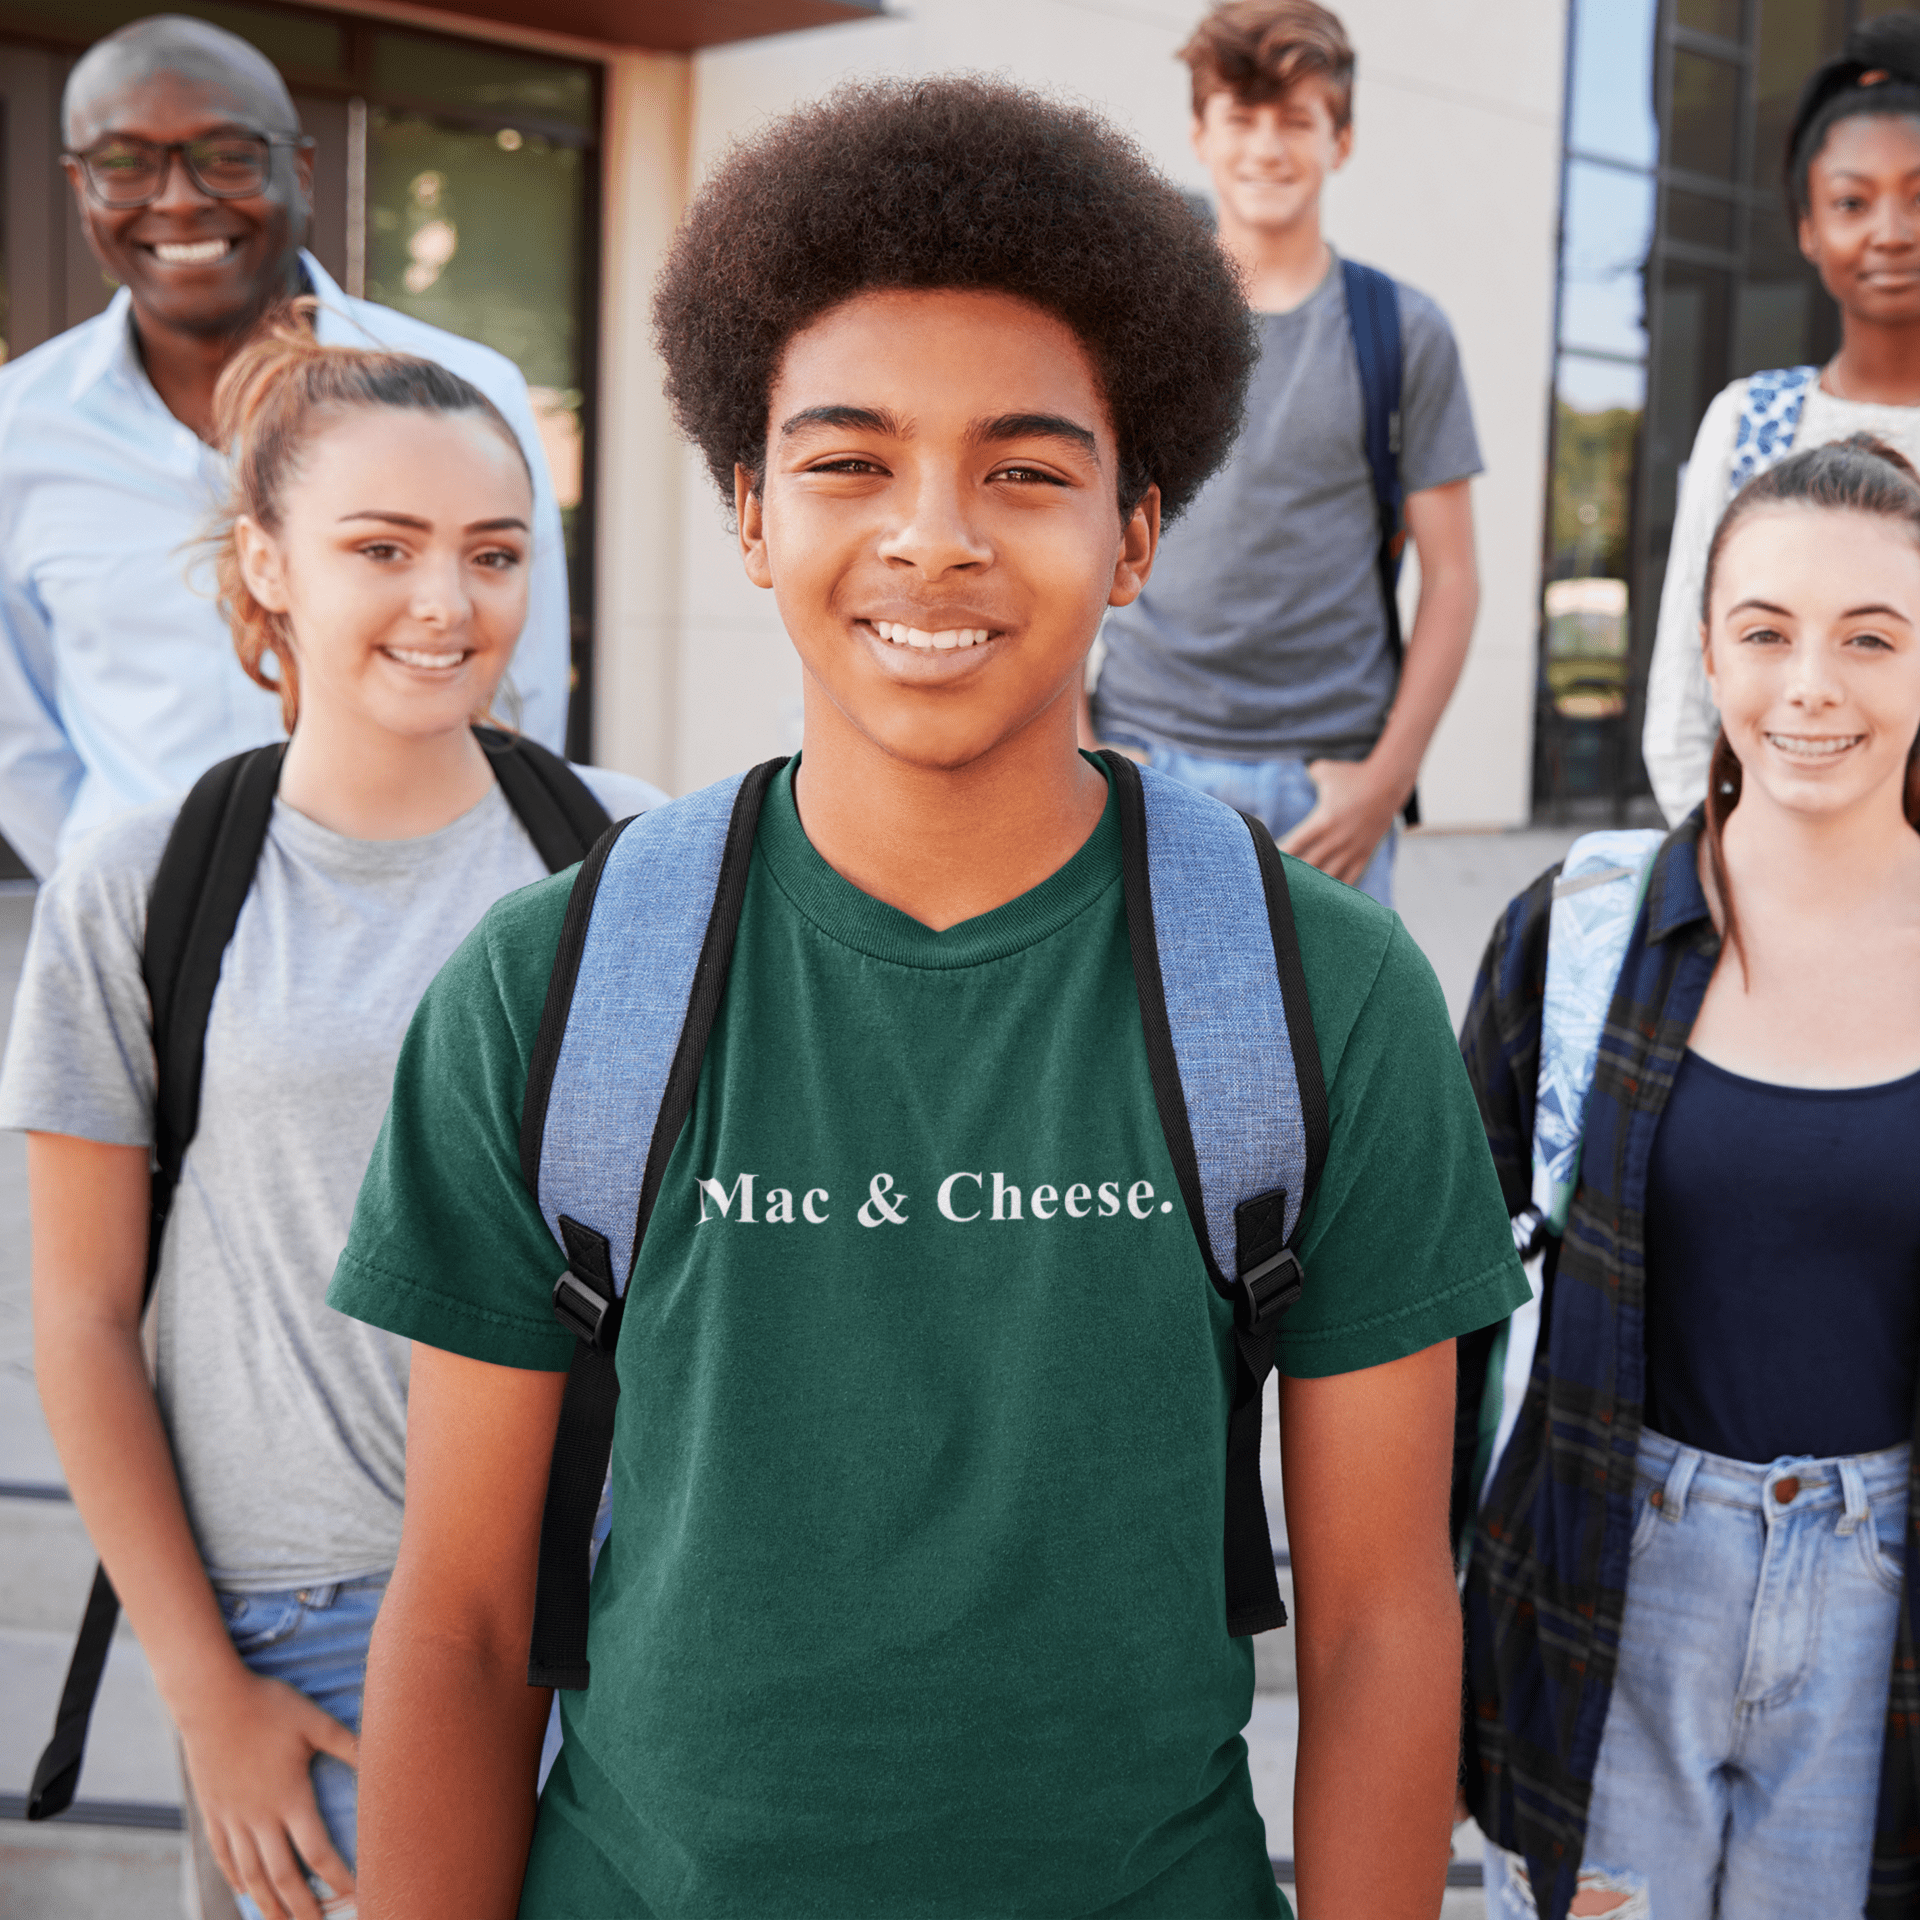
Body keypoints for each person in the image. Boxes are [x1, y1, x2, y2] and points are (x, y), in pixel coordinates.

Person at [327, 74, 1527, 1920]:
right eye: (848, 461)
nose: (935, 537)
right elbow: (471, 1621)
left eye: (1028, 470)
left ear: (1136, 532)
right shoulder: (555, 990)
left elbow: (1377, 1621)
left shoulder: (1315, 995)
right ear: (746, 508)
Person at [0, 321, 659, 1920]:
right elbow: (84, 1324)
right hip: (303, 1634)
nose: (449, 602)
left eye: (493, 554)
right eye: (386, 548)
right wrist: (205, 1691)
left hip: (628, 1611)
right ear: (267, 565)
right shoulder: (143, 882)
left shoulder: (638, 854)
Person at [1458, 436, 1920, 1917]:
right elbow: (1450, 1293)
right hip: (1616, 1575)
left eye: (1871, 638)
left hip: (1882, 1617)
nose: (1811, 687)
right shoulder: (1583, 934)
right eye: (1766, 631)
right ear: (1707, 652)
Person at [0, 12, 573, 879]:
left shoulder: (465, 393)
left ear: (300, 171)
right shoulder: (17, 432)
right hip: (145, 937)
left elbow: (513, 686)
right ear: (79, 188)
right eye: (125, 163)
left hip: (424, 913)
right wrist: (113, 895)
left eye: (226, 155)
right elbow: (19, 739)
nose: (180, 198)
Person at [1085, 0, 1481, 907]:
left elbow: (1454, 580)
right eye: (1241, 117)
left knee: (1326, 1052)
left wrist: (1387, 780)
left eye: (1296, 120)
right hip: (1143, 760)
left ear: (1340, 141)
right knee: (1137, 1050)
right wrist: (1083, 742)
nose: (1267, 147)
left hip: (1328, 786)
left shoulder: (1403, 333)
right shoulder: (1139, 329)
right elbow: (1074, 527)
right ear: (1199, 133)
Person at [1644, 13, 1920, 824]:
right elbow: (1681, 706)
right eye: (1851, 201)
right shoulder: (1750, 421)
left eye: (1919, 196)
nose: (1890, 233)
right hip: (1762, 883)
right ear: (1808, 226)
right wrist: (1729, 874)